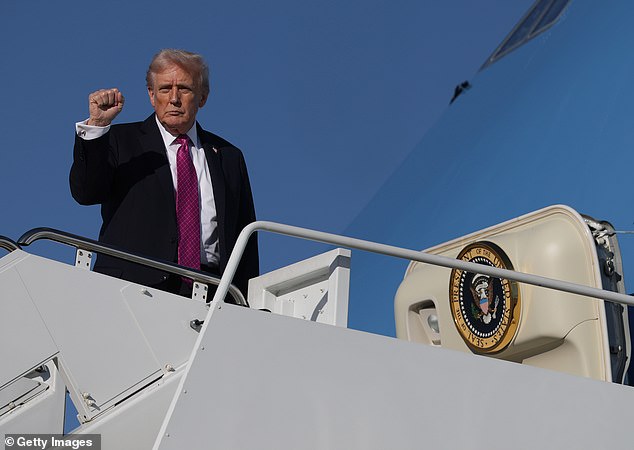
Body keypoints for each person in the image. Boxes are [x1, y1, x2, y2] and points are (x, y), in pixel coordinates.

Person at [70, 49, 258, 300]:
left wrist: (246, 303)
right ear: (151, 95)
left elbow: (244, 239)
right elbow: (86, 192)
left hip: (213, 295)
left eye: (185, 88)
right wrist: (97, 127)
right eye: (165, 89)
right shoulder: (119, 140)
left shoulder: (229, 156)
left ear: (203, 97)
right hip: (133, 290)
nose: (174, 98)